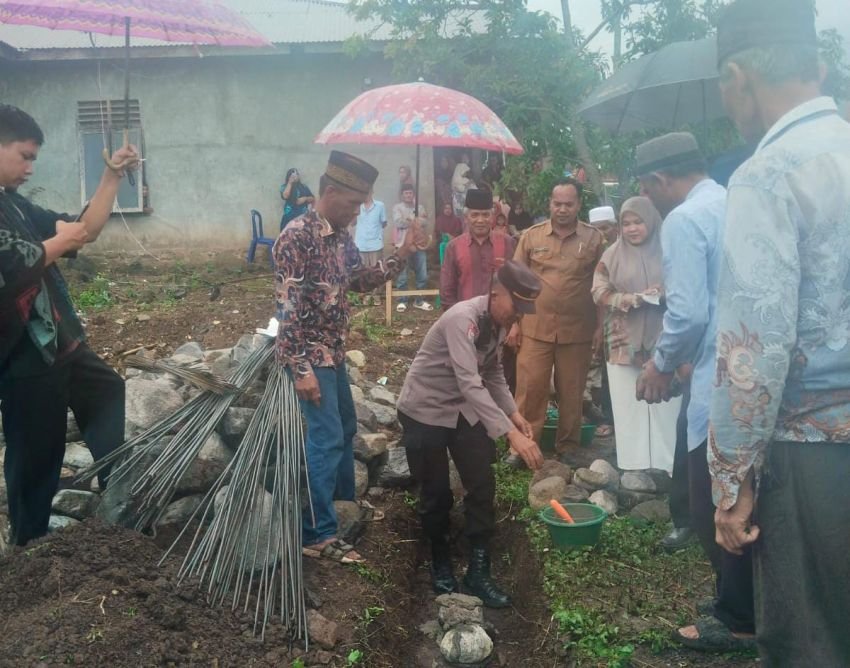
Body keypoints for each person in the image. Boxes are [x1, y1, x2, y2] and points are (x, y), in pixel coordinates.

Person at [711, 0, 850, 664]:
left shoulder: (766, 176)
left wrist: (732, 484)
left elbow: (751, 353)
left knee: (811, 638)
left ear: (738, 77)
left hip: (812, 451)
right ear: (817, 68)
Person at [634, 132, 755, 652]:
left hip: (713, 376)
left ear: (660, 180)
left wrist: (659, 364)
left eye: (647, 188)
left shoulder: (684, 219)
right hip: (749, 371)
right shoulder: (732, 201)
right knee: (743, 493)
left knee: (714, 501)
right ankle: (739, 595)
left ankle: (739, 619)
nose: (650, 199)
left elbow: (688, 313)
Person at [274, 150, 424, 565]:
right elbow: (286, 310)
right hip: (310, 356)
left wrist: (404, 254)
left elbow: (361, 280)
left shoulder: (341, 238)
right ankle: (317, 533)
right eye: (353, 204)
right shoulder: (296, 236)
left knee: (344, 428)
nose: (357, 213)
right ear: (331, 191)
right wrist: (300, 369)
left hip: (334, 353)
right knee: (322, 439)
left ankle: (341, 508)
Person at [0, 104, 139, 546]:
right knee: (35, 453)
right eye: (24, 155)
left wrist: (112, 177)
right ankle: (28, 546)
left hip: (58, 339)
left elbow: (84, 228)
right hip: (21, 352)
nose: (30, 166)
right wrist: (62, 240)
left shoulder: (12, 204)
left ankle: (116, 495)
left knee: (105, 389)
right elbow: (16, 263)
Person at [398, 261, 544, 605]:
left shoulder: (497, 322)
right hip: (426, 410)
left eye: (524, 310)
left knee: (482, 483)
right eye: (516, 307)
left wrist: (514, 413)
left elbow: (491, 373)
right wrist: (511, 433)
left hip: (464, 411)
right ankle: (440, 560)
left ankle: (479, 569)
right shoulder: (462, 319)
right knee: (436, 493)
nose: (518, 316)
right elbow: (469, 380)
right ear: (495, 294)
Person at [510, 178, 604, 461]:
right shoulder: (531, 237)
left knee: (572, 391)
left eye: (568, 204)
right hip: (535, 327)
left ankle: (569, 446)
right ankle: (522, 447)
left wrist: (600, 326)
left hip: (577, 331)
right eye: (557, 203)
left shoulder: (594, 239)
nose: (562, 209)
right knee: (530, 388)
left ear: (578, 205)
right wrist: (514, 323)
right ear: (550, 204)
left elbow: (602, 285)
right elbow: (516, 282)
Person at [592, 197, 679, 473]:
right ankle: (634, 466)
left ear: (651, 222)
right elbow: (598, 291)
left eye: (638, 222)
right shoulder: (611, 255)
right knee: (628, 404)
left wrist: (663, 293)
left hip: (665, 339)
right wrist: (629, 299)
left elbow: (688, 285)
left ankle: (668, 465)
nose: (632, 229)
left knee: (667, 404)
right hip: (622, 340)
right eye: (626, 223)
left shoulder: (672, 251)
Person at [440, 189, 516, 312]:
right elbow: (447, 290)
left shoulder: (508, 243)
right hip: (464, 318)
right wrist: (456, 318)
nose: (480, 220)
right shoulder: (453, 247)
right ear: (466, 218)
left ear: (492, 217)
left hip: (501, 321)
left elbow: (516, 284)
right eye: (474, 215)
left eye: (485, 215)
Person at [393, 183, 432, 312]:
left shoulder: (419, 207)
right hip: (403, 246)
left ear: (413, 194)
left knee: (422, 273)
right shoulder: (397, 207)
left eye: (410, 193)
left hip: (419, 245)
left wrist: (411, 221)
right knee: (402, 274)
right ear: (402, 195)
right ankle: (402, 300)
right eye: (406, 193)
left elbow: (425, 222)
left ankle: (419, 300)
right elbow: (398, 222)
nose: (408, 195)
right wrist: (413, 219)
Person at [352, 187, 387, 305]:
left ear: (372, 192)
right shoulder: (358, 206)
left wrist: (376, 233)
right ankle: (366, 296)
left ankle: (376, 295)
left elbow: (384, 222)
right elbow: (352, 223)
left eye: (367, 192)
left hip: (375, 243)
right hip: (361, 243)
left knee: (377, 270)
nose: (365, 194)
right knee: (363, 271)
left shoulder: (380, 206)